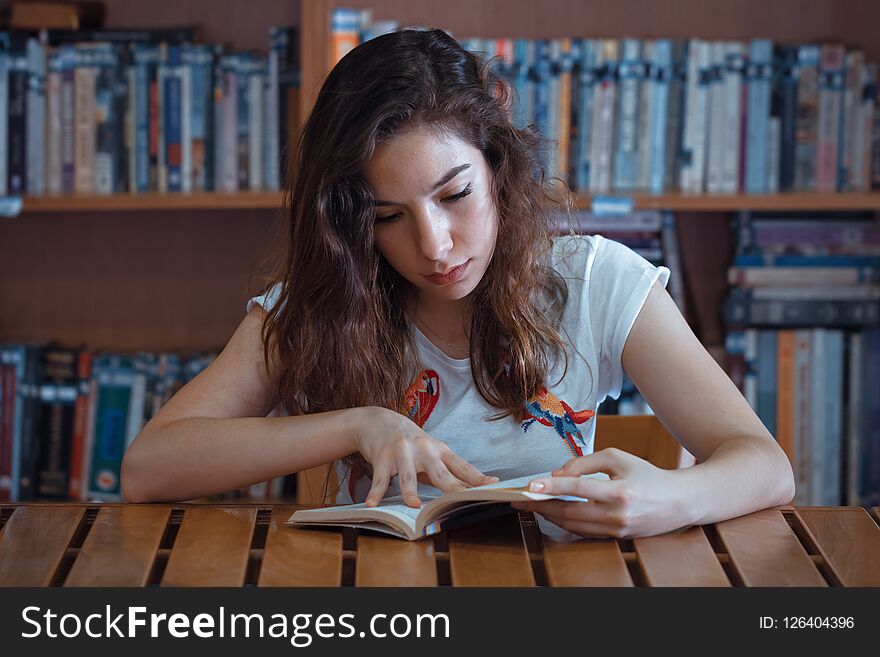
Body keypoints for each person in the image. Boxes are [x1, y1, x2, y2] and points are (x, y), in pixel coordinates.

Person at [121, 28, 795, 539]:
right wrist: (359, 424)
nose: (434, 246)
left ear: (498, 166)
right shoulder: (322, 303)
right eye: (389, 217)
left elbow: (766, 466)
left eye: (456, 195)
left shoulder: (597, 281)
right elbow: (149, 466)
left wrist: (665, 500)